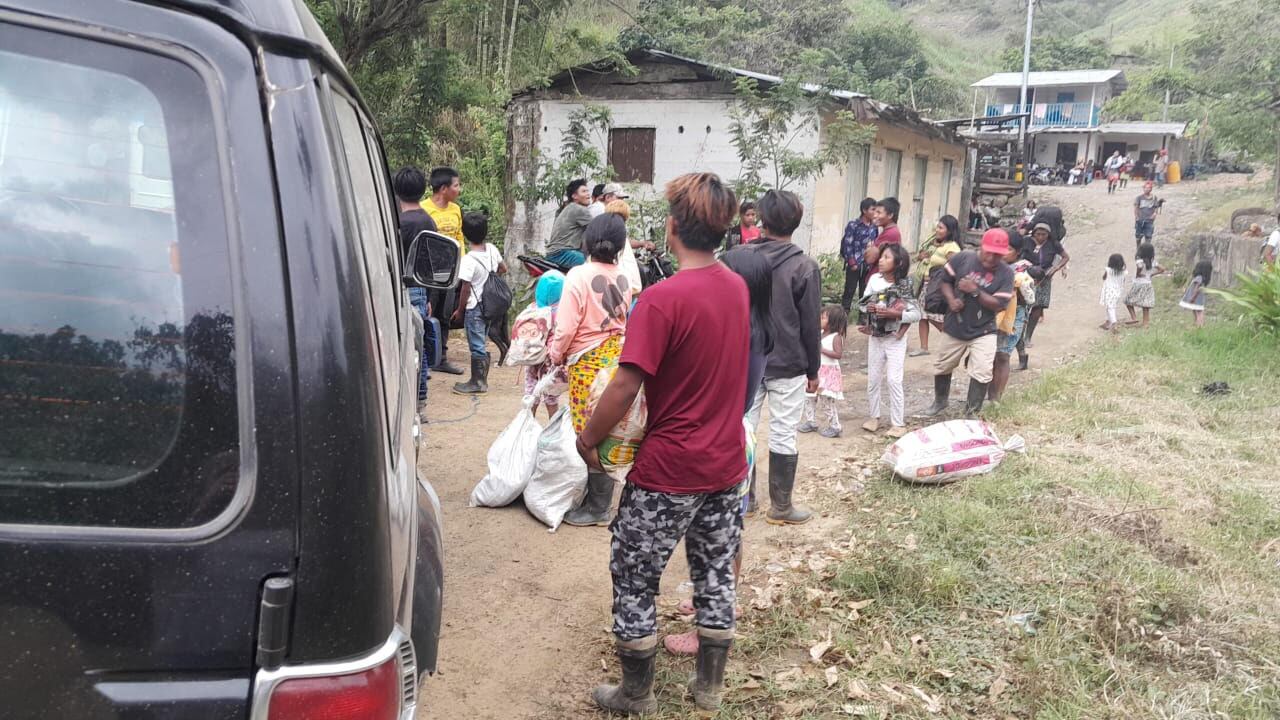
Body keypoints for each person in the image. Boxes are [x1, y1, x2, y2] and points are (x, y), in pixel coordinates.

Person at [577, 172, 747, 714]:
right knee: (715, 572)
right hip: (726, 463)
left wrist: (588, 439)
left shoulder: (661, 300)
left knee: (634, 576)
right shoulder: (736, 287)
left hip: (668, 470)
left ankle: (636, 694)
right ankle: (709, 688)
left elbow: (626, 383)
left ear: (672, 227)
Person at [664, 243, 775, 658]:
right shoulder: (757, 326)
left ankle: (709, 623)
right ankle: (718, 600)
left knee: (715, 538)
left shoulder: (737, 329)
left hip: (719, 436)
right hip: (736, 433)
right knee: (724, 532)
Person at [732, 190, 821, 526]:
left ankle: (746, 498)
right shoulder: (804, 265)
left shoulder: (739, 257)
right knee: (784, 431)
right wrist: (814, 368)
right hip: (788, 362)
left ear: (762, 219)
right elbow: (810, 324)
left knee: (744, 428)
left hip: (746, 359)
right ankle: (781, 508)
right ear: (796, 222)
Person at [550, 213, 634, 527]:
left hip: (587, 362)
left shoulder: (578, 275)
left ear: (587, 240)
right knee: (609, 426)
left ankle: (598, 506)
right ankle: (599, 499)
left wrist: (555, 354)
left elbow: (567, 326)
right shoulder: (624, 275)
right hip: (616, 357)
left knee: (588, 431)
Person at [922, 229, 1014, 417]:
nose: (992, 257)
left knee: (982, 370)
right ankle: (940, 400)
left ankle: (972, 411)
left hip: (984, 329)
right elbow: (945, 281)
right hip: (955, 325)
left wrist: (975, 291)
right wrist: (951, 300)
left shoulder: (1006, 274)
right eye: (989, 252)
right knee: (943, 365)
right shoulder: (963, 258)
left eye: (998, 254)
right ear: (981, 247)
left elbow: (999, 304)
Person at [859, 244, 918, 436]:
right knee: (873, 378)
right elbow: (863, 303)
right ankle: (873, 416)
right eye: (881, 257)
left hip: (895, 338)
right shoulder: (874, 280)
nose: (881, 261)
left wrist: (893, 313)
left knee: (894, 379)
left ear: (898, 263)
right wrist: (868, 310)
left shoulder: (905, 285)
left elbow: (916, 314)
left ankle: (898, 423)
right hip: (876, 336)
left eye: (886, 257)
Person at [394, 166, 439, 410]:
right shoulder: (428, 221)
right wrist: (430, 295)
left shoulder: (397, 223)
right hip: (421, 289)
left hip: (400, 288)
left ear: (397, 191)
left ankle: (404, 398)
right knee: (417, 346)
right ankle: (420, 399)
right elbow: (432, 263)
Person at [450, 212, 507, 395]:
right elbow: (503, 268)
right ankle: (479, 379)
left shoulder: (468, 260)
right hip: (490, 305)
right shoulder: (491, 249)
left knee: (476, 344)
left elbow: (465, 288)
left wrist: (460, 310)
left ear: (464, 233)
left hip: (475, 307)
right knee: (481, 340)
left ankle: (478, 382)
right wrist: (491, 279)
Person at [422, 166, 467, 375]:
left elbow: (459, 238)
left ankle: (441, 357)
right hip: (429, 272)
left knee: (445, 313)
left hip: (450, 271)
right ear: (443, 188)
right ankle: (425, 357)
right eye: (456, 185)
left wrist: (462, 264)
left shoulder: (456, 210)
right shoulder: (424, 209)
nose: (459, 189)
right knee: (426, 311)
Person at [989, 231, 1035, 404]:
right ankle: (989, 393)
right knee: (990, 356)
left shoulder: (1023, 270)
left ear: (1018, 252)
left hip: (1013, 317)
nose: (1003, 252)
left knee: (1003, 356)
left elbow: (1030, 299)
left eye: (1008, 249)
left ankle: (996, 398)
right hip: (992, 315)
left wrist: (1017, 288)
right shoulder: (992, 266)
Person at [1018, 222, 1070, 368]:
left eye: (1044, 234)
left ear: (1048, 234)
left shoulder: (1053, 244)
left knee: (1038, 307)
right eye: (1038, 234)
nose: (1040, 237)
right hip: (1026, 276)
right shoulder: (1027, 241)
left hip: (1044, 278)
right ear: (1033, 233)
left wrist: (1055, 269)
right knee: (1023, 305)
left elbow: (1066, 257)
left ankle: (1028, 336)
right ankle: (1019, 336)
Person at [910, 215, 962, 357]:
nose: (937, 230)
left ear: (949, 231)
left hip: (937, 286)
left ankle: (954, 339)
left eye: (941, 228)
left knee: (932, 316)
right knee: (923, 316)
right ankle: (924, 347)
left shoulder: (952, 247)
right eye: (937, 227)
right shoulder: (934, 244)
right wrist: (923, 256)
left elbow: (954, 267)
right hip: (926, 284)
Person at [520, 271, 569, 417]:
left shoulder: (532, 309)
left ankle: (527, 425)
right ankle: (552, 430)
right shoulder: (563, 311)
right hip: (552, 358)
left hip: (533, 355)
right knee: (551, 394)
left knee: (531, 390)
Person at [798, 305, 846, 438]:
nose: (820, 319)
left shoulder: (836, 337)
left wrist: (821, 349)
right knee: (809, 397)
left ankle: (835, 426)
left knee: (827, 401)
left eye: (823, 317)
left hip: (828, 373)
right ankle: (810, 421)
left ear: (833, 321)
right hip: (816, 371)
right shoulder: (819, 334)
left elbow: (838, 354)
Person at [839, 197, 878, 312]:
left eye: (876, 210)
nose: (875, 213)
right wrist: (852, 262)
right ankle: (843, 316)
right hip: (855, 264)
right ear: (864, 211)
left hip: (868, 264)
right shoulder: (853, 225)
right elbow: (847, 244)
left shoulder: (874, 227)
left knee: (865, 291)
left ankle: (862, 317)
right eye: (872, 209)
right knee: (849, 290)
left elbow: (875, 243)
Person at [546, 178, 593, 268]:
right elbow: (597, 229)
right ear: (574, 196)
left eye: (588, 191)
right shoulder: (579, 209)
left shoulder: (569, 207)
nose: (588, 194)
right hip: (562, 253)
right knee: (590, 267)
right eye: (584, 191)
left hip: (555, 253)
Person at [1124, 243, 1165, 328]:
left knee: (1128, 301)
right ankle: (1145, 323)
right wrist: (1152, 274)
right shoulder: (1153, 262)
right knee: (1145, 305)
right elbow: (1162, 269)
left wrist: (1138, 274)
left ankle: (1134, 317)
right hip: (1148, 284)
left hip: (1139, 283)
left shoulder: (1140, 261)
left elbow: (1139, 267)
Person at [1179, 259, 1212, 327]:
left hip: (1196, 298)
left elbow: (1197, 289)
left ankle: (1199, 324)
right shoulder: (1203, 278)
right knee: (1197, 310)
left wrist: (1193, 297)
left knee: (1199, 312)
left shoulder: (1199, 278)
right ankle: (1197, 323)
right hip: (1198, 298)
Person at [1099, 253, 1127, 331]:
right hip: (1118, 291)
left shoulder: (1108, 270)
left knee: (1110, 307)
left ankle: (1114, 323)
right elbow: (1123, 281)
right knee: (1110, 306)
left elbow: (1104, 277)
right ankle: (1108, 322)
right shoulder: (1124, 272)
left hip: (1109, 291)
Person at [1134, 181, 1162, 250]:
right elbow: (1136, 208)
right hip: (1140, 220)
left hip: (1149, 220)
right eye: (1145, 188)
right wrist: (1136, 217)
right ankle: (1138, 249)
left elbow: (1155, 207)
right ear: (1143, 189)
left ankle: (1146, 251)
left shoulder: (1154, 198)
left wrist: (1155, 213)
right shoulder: (1139, 198)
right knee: (1138, 237)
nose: (1147, 189)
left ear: (1151, 189)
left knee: (1148, 237)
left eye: (1149, 188)